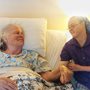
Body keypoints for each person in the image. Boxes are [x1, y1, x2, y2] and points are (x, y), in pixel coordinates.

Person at [0, 24, 73, 90]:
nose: (21, 35)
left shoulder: (33, 55)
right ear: (4, 37)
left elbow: (47, 77)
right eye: (17, 33)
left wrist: (61, 69)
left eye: (22, 33)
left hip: (34, 83)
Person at [60, 16, 90, 90]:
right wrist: (64, 72)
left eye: (73, 26)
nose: (70, 29)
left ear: (83, 24)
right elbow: (62, 64)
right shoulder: (68, 46)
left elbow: (78, 68)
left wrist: (80, 68)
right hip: (81, 81)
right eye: (69, 27)